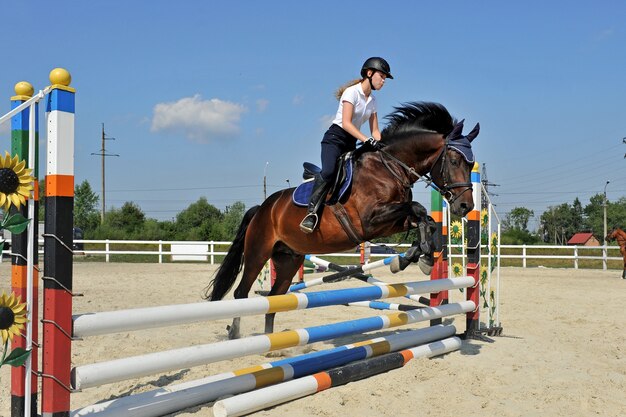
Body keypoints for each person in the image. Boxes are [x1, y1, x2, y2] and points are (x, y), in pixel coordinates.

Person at [299, 57, 393, 233]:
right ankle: (311, 213)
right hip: (335, 138)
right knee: (328, 172)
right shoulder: (351, 92)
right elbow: (347, 123)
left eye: (385, 77)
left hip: (351, 142)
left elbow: (375, 131)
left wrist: (384, 146)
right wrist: (366, 140)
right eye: (382, 75)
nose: (384, 80)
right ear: (369, 73)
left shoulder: (373, 101)